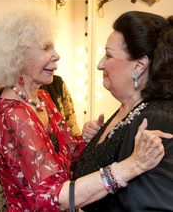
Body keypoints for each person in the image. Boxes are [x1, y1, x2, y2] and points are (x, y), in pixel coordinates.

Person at [0, 8, 171, 211]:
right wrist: (130, 167)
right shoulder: (14, 116)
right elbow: (52, 197)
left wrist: (92, 139)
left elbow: (68, 155)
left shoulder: (41, 99)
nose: (56, 55)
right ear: (18, 57)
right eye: (46, 48)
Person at [73, 11, 173, 211]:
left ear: (139, 65)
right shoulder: (126, 109)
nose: (100, 64)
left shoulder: (155, 119)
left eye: (109, 55)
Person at [0, 75, 81, 211]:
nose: (55, 56)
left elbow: (71, 127)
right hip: (27, 193)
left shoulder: (52, 89)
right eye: (45, 51)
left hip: (58, 191)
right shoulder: (5, 100)